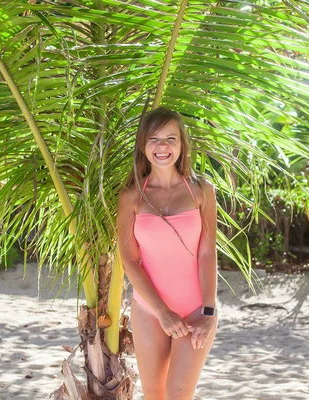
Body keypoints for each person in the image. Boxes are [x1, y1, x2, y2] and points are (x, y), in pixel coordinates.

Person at [117, 107, 218, 399]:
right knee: (155, 395)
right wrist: (162, 313)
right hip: (149, 311)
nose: (163, 146)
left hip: (196, 309)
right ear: (143, 145)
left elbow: (207, 251)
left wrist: (209, 312)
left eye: (171, 138)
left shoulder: (202, 190)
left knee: (177, 395)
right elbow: (130, 261)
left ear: (182, 144)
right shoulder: (131, 196)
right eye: (154, 139)